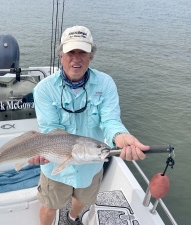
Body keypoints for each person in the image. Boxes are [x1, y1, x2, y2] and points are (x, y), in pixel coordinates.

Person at [30, 25, 150, 225]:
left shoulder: (106, 83)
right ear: (61, 55)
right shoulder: (43, 89)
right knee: (50, 205)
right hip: (56, 166)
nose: (76, 59)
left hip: (90, 166)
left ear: (90, 56)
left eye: (82, 52)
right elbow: (50, 128)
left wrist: (121, 136)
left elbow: (110, 120)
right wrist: (44, 151)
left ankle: (72, 217)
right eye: (71, 52)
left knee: (82, 200)